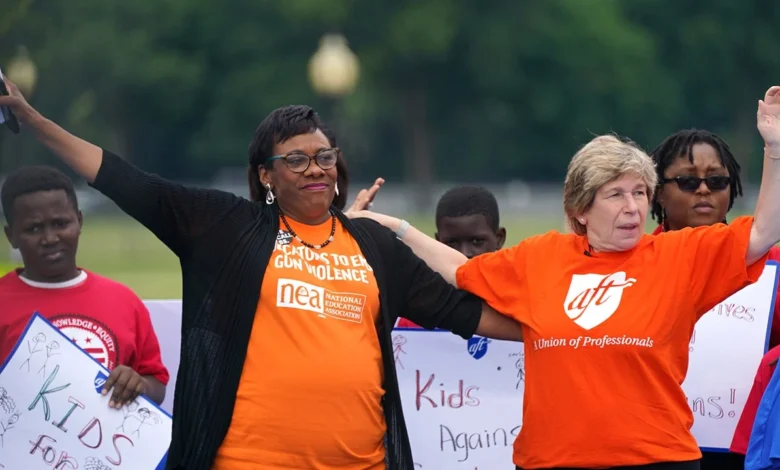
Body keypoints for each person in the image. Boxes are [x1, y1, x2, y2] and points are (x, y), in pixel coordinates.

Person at [0, 78, 524, 470]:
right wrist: (34, 118)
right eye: (295, 160)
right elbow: (126, 181)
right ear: (266, 175)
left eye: (324, 156)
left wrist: (554, 330)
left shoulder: (374, 246)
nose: (315, 168)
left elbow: (463, 312)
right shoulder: (227, 228)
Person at [348, 85, 780, 469]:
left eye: (639, 193)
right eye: (615, 195)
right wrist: (393, 227)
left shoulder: (680, 255)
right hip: (550, 461)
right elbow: (460, 271)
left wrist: (775, 148)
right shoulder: (542, 256)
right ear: (581, 209)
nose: (632, 207)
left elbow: (763, 231)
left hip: (656, 459)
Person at [649, 128, 780, 467]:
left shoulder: (773, 266)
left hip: (747, 448)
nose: (704, 189)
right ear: (658, 192)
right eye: (688, 181)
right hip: (651, 445)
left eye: (718, 181)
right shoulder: (631, 264)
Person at [0, 165, 168, 407]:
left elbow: (156, 385)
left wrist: (138, 385)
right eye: (33, 228)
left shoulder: (123, 300)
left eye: (60, 223)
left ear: (79, 221)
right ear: (11, 236)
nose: (50, 238)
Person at [397, 185, 506, 328]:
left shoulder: (521, 302)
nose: (463, 253)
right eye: (452, 243)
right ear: (438, 242)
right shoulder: (417, 311)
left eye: (476, 241)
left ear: (499, 238)